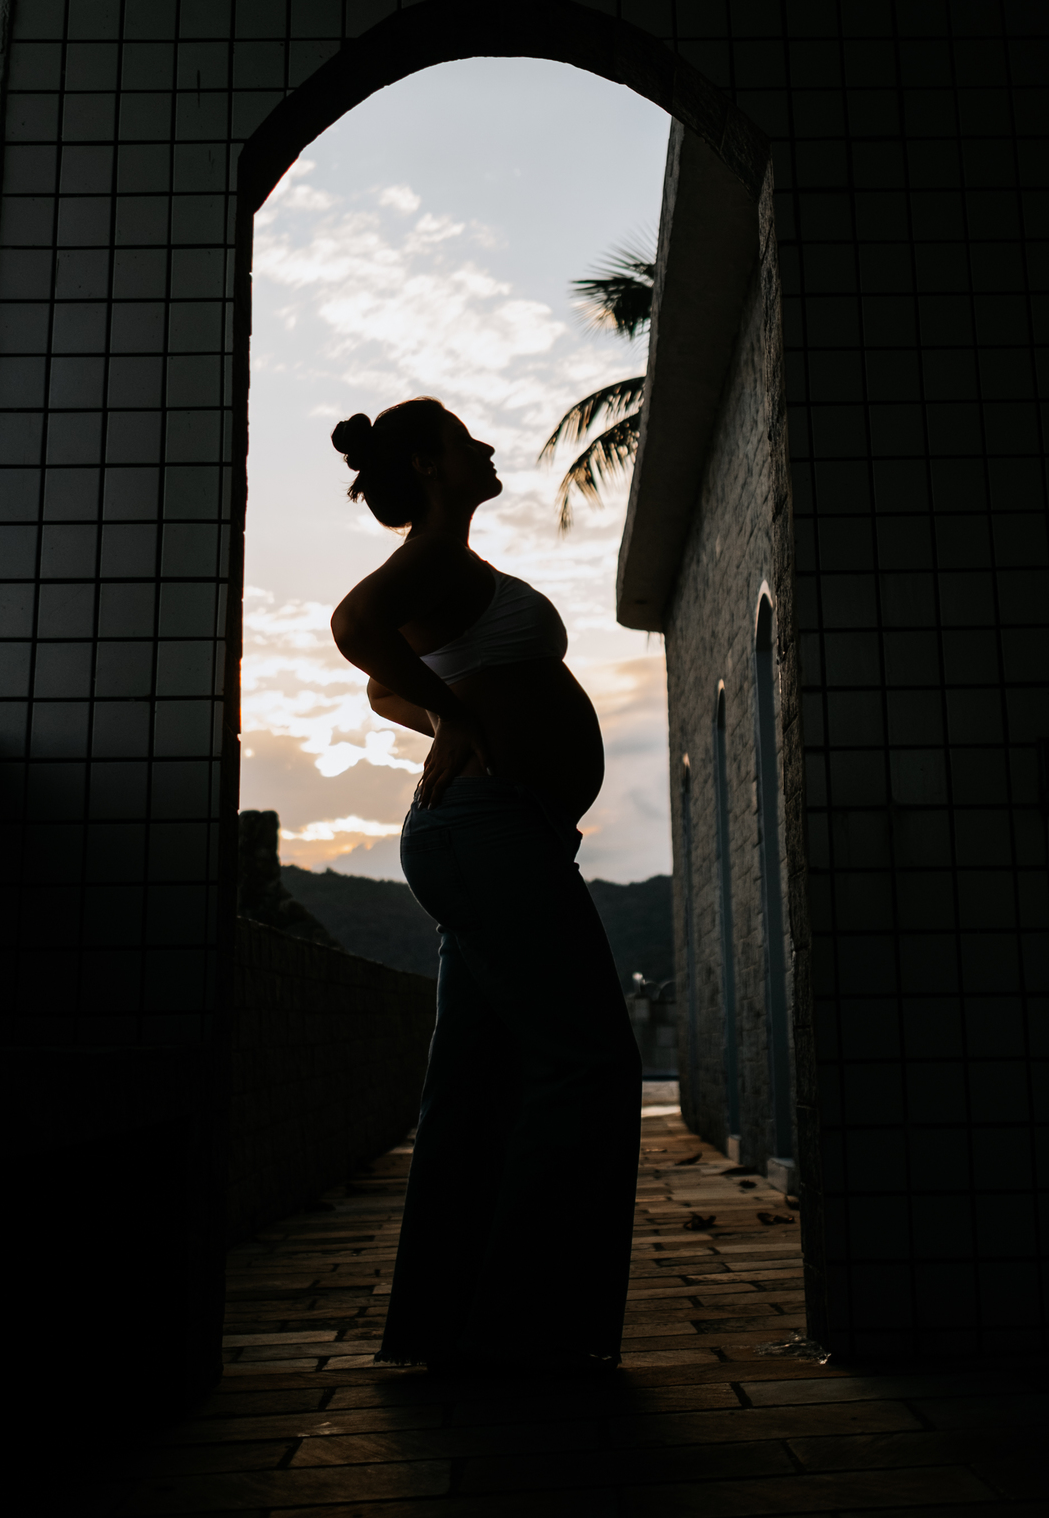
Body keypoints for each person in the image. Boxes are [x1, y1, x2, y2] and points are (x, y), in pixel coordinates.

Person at [329, 397, 642, 1377]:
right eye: (467, 441)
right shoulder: (432, 554)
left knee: (475, 1083)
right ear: (430, 466)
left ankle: (449, 1326)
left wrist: (443, 711)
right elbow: (356, 629)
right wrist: (460, 719)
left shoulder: (451, 567)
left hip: (495, 834)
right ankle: (527, 1329)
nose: (489, 447)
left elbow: (385, 684)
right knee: (589, 1064)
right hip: (487, 833)